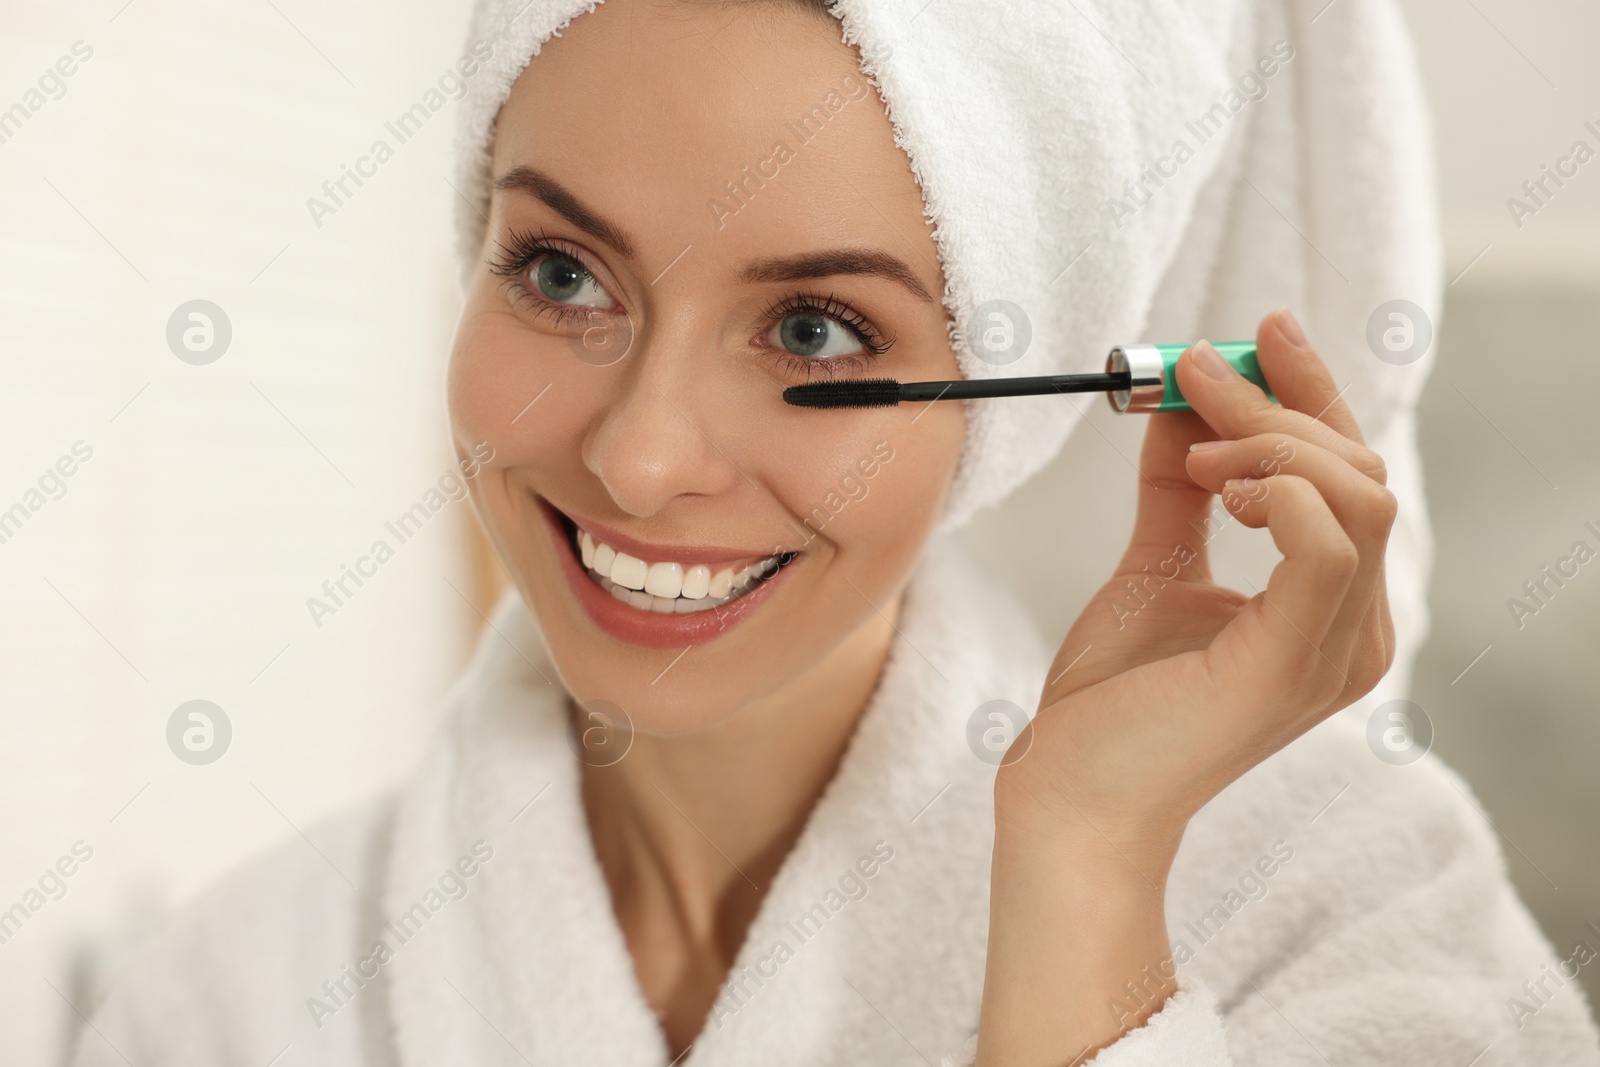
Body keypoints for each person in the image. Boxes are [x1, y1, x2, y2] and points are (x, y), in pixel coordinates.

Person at [74, 0, 1600, 1064]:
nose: (643, 456)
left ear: (1018, 395)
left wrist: (1084, 870)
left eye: (813, 326)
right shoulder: (224, 1005)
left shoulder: (1353, 919)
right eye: (557, 273)